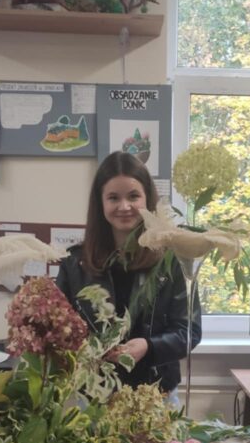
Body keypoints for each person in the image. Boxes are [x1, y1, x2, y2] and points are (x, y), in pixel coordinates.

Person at [56, 151, 201, 399]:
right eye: (113, 198)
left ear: (147, 199)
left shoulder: (171, 259)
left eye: (133, 196)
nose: (124, 206)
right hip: (95, 395)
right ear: (100, 203)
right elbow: (60, 329)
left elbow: (189, 331)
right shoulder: (74, 263)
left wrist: (149, 346)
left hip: (157, 393)